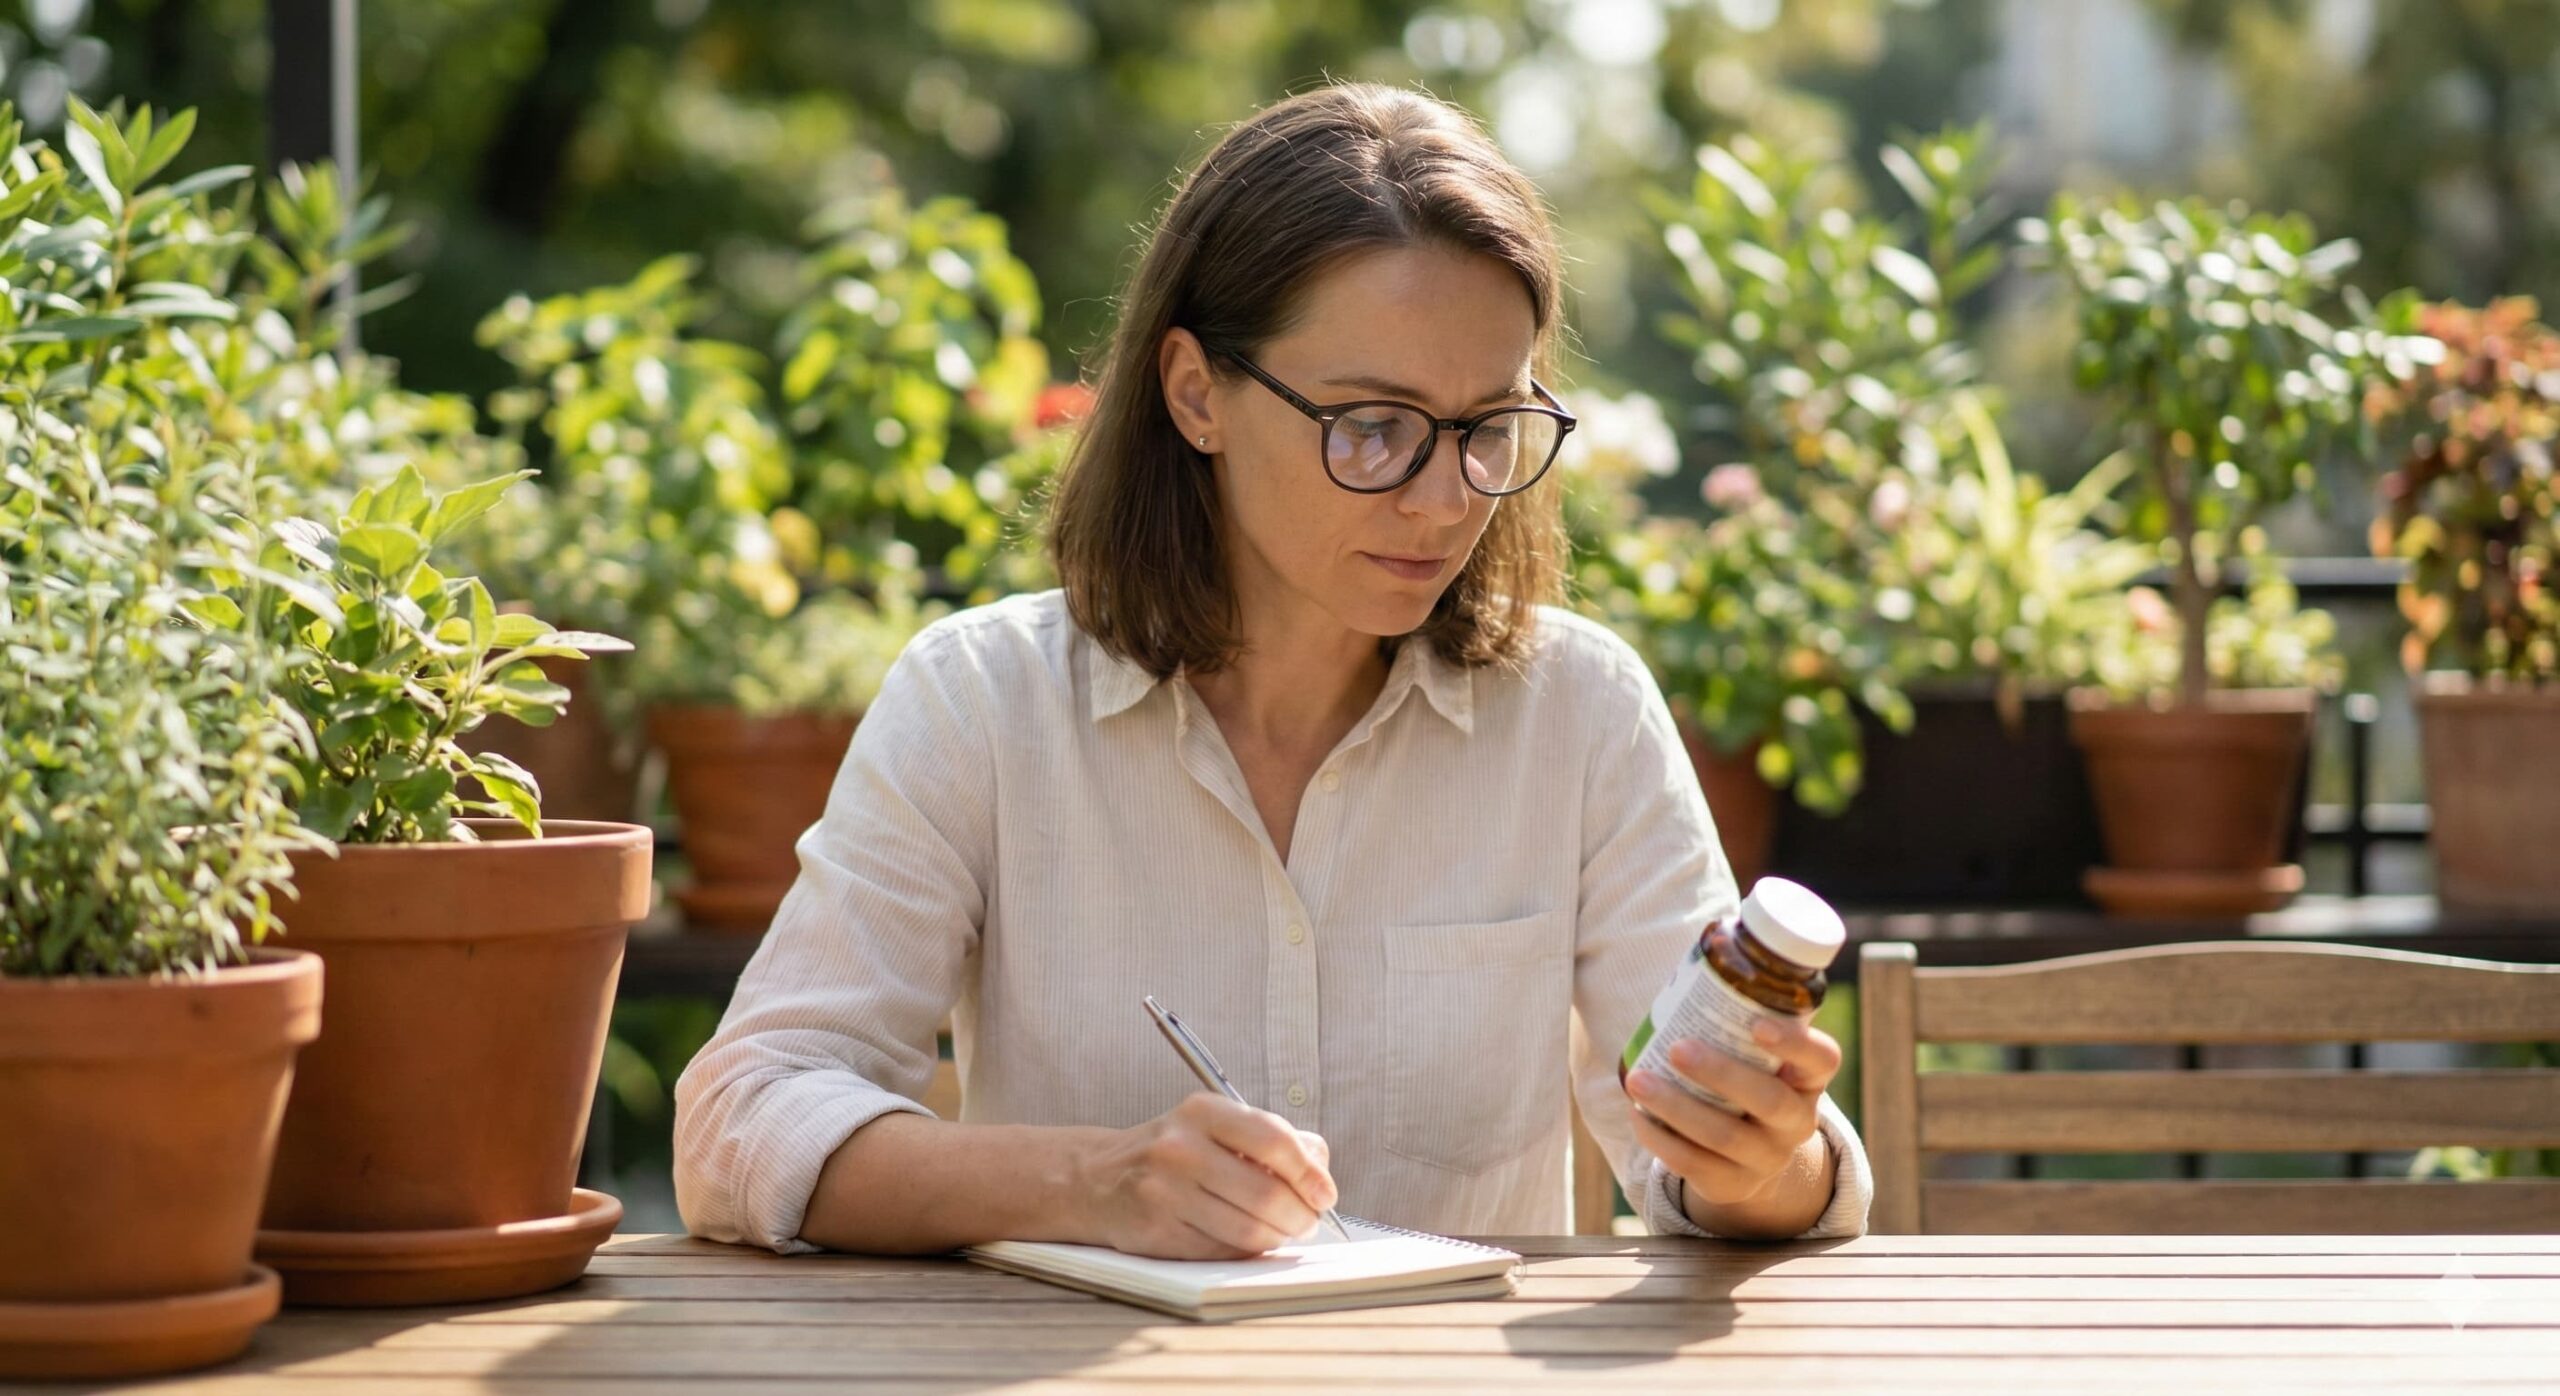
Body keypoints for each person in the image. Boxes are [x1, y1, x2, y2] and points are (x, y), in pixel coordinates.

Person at [673, 81, 1873, 1259]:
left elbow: (1699, 1165)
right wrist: (1096, 1181)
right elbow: (743, 1115)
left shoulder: (1579, 713)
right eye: (1373, 426)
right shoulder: (983, 703)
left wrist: (1766, 1159)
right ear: (1198, 393)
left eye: (1488, 426)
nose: (1446, 496)